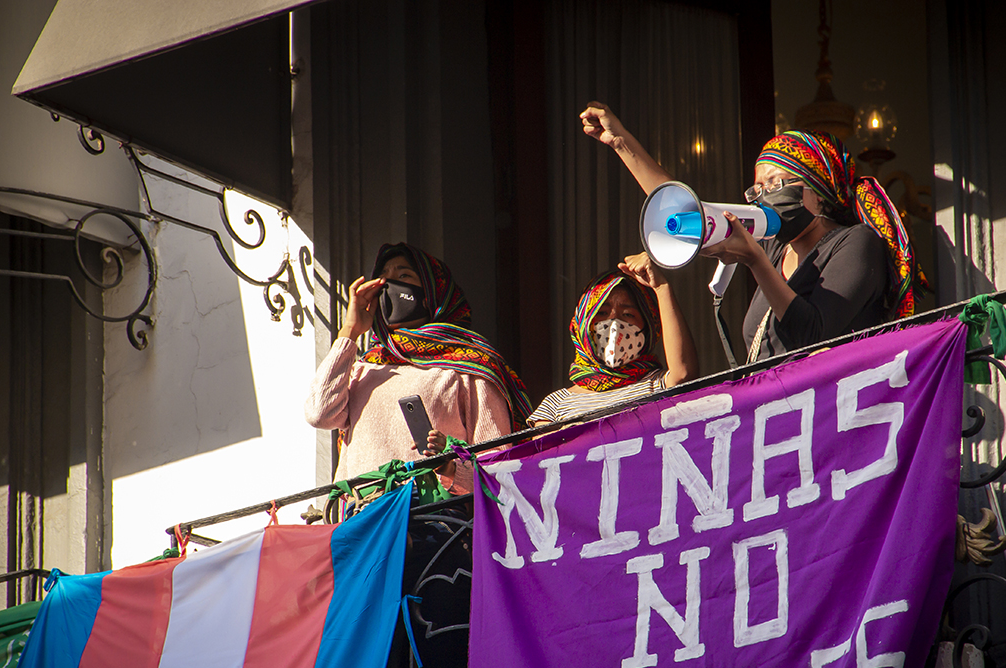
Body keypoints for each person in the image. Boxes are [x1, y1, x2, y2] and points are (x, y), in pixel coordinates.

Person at [580, 102, 929, 362]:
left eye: (774, 183)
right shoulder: (775, 247)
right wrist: (620, 143)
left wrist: (755, 262)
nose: (763, 196)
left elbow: (812, 333)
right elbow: (684, 208)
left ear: (817, 189)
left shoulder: (854, 243)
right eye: (756, 189)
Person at [304, 243, 531, 494]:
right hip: (364, 521)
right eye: (382, 279)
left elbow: (496, 467)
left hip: (433, 525)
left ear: (433, 291)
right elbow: (319, 414)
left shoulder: (469, 368)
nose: (388, 287)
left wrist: (450, 466)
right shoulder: (364, 367)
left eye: (403, 276)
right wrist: (350, 332)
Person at [527, 253, 698, 425]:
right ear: (582, 325)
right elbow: (547, 450)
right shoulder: (555, 405)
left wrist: (661, 287)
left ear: (648, 328)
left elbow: (684, 374)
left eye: (628, 314)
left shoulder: (658, 384)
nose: (614, 323)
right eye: (602, 313)